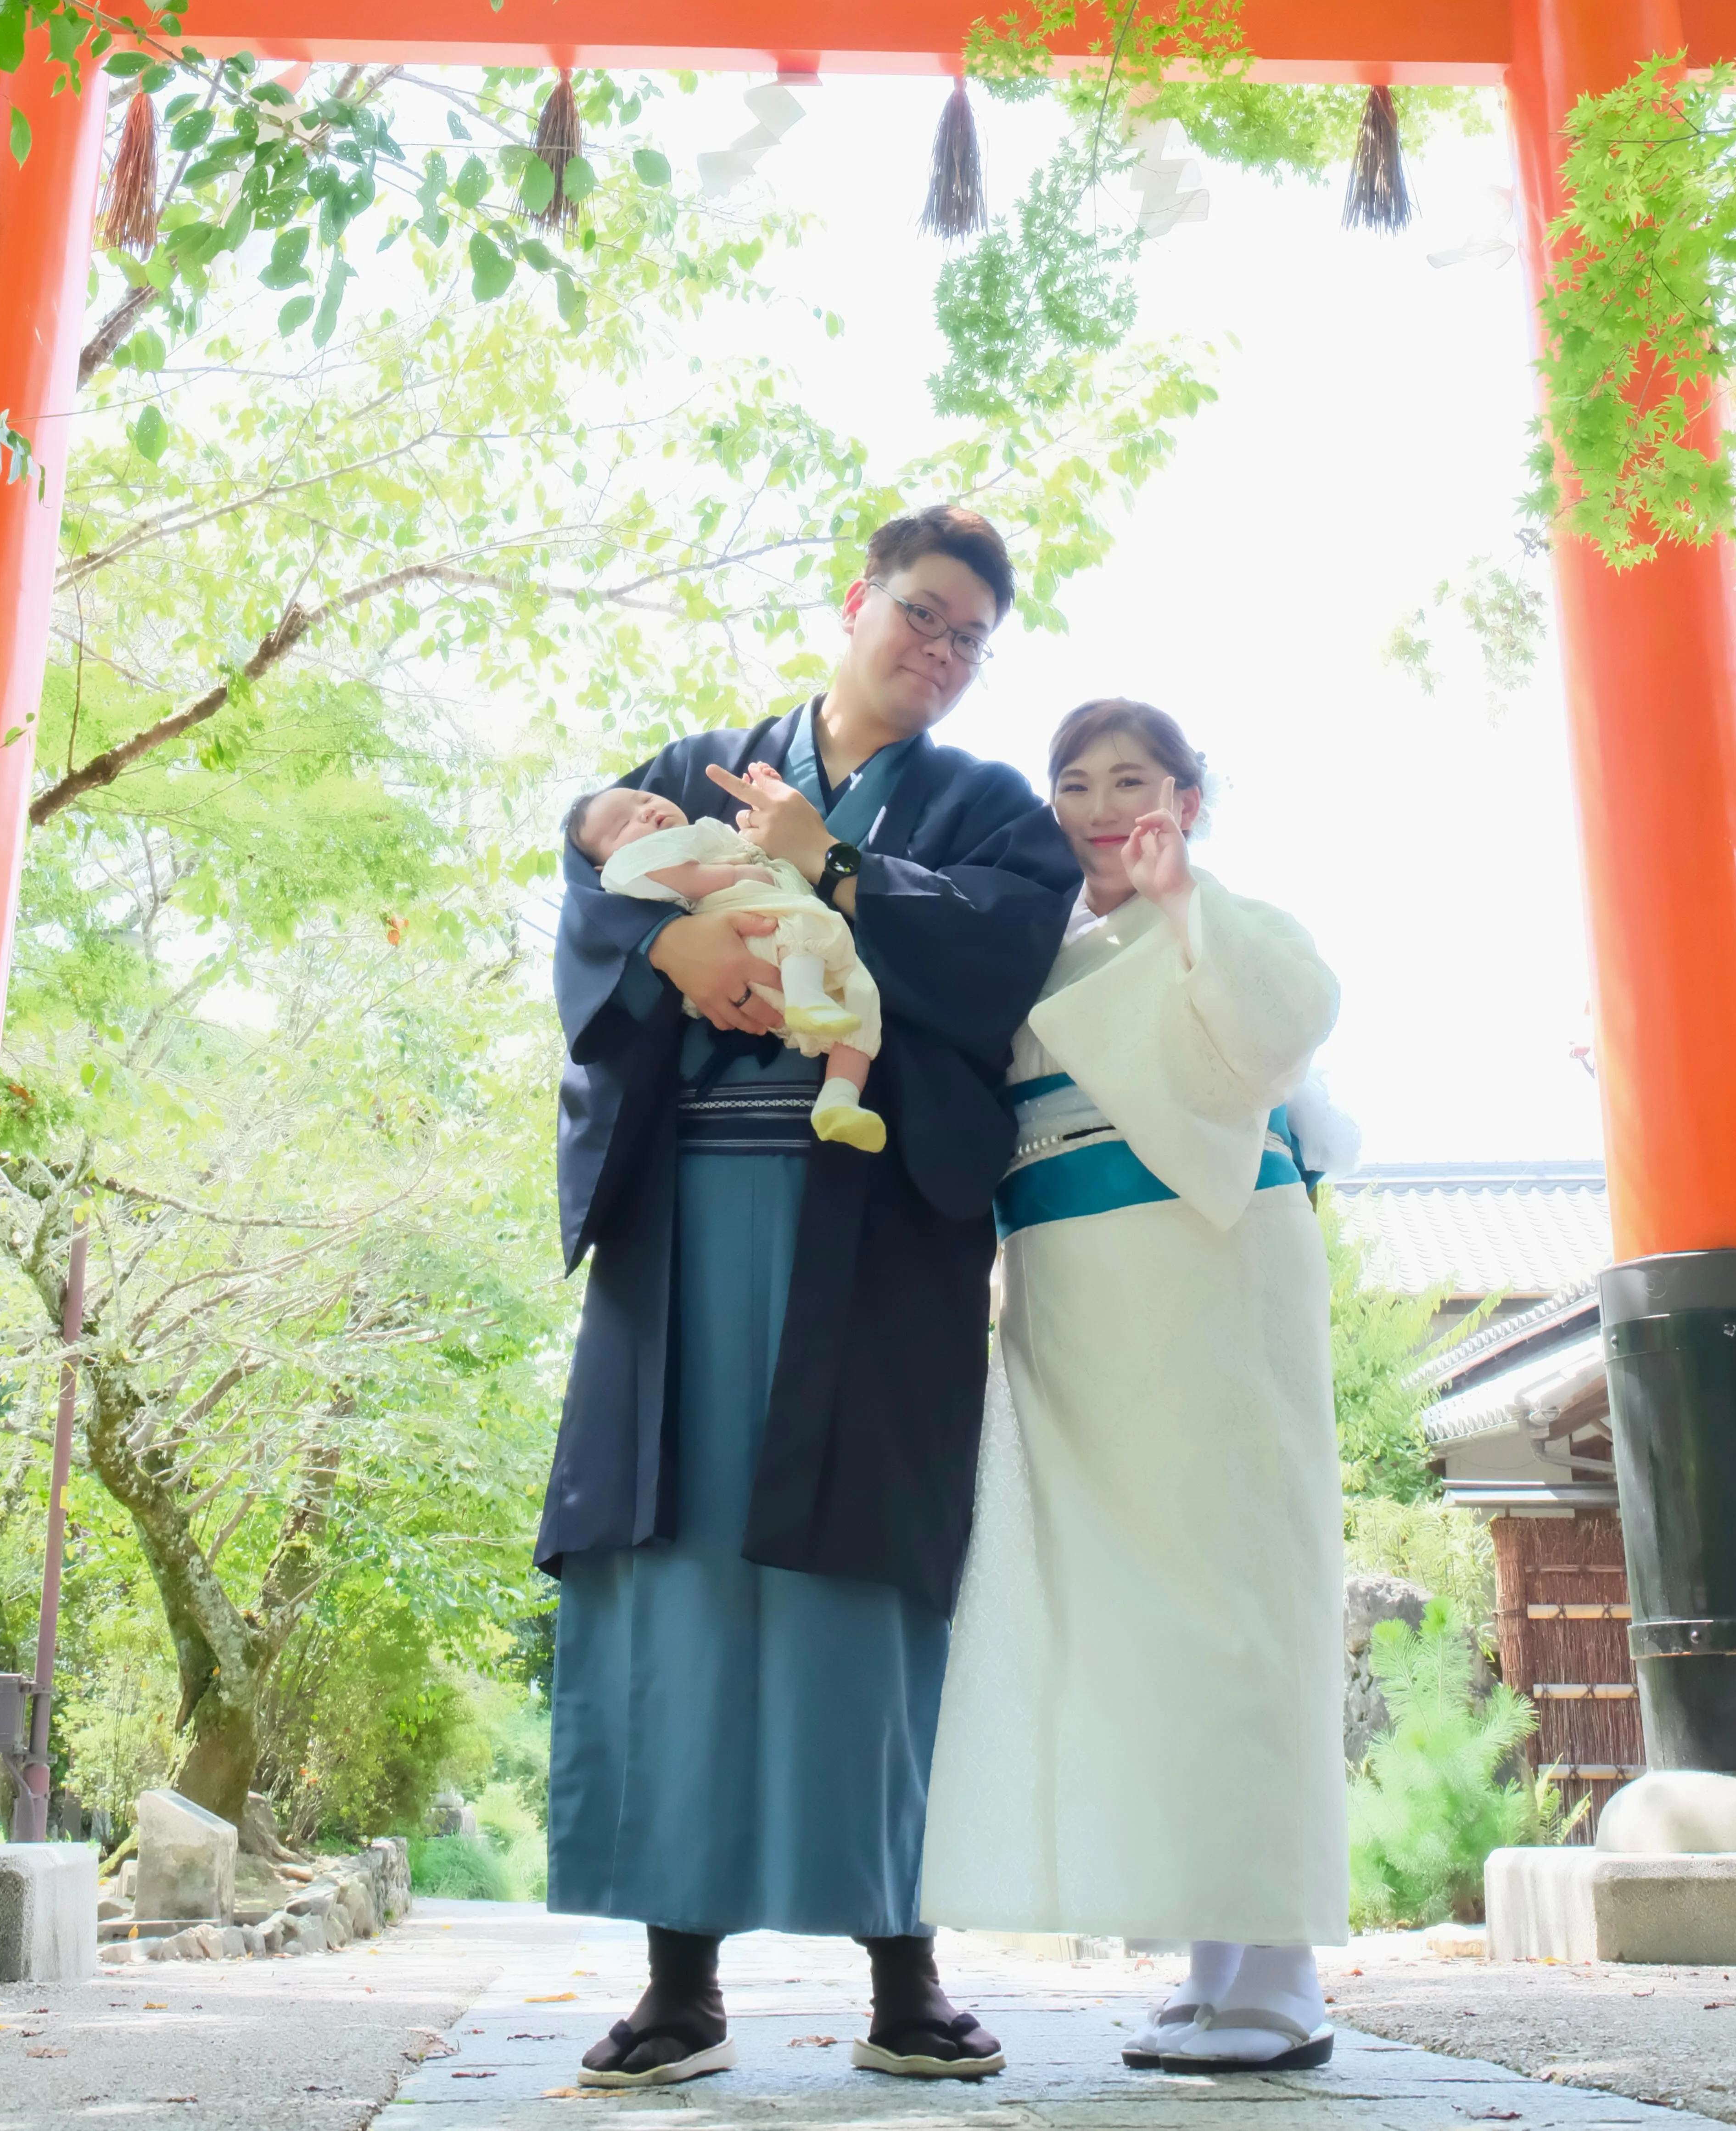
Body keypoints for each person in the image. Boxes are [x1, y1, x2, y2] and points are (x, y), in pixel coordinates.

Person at [535, 506, 1078, 2088]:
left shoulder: (989, 809)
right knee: (674, 1558)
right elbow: (601, 879)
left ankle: (904, 1966)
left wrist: (828, 862)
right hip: (690, 1213)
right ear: (856, 601)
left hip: (873, 1222)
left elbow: (995, 960)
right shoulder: (708, 755)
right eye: (924, 612)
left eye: (973, 635)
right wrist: (675, 950)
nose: (944, 649)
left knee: (872, 1569)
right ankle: (676, 1978)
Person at [919, 697, 1353, 2074]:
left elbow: (1286, 1025)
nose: (1105, 808)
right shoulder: (1034, 951)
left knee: (1235, 1591)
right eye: (1076, 785)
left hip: (1211, 1272)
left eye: (1133, 780)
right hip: (1071, 1291)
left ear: (1187, 795)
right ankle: (1211, 1957)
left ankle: (1278, 1976)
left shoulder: (1225, 920)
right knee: (1132, 1610)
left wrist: (1182, 907)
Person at [572, 781, 886, 1148]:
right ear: (602, 864)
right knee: (805, 926)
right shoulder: (641, 860)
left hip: (784, 960)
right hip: (746, 933)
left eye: (644, 798)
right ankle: (806, 997)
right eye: (621, 825)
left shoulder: (708, 833)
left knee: (861, 996)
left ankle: (839, 1100)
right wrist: (737, 875)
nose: (643, 810)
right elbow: (675, 877)